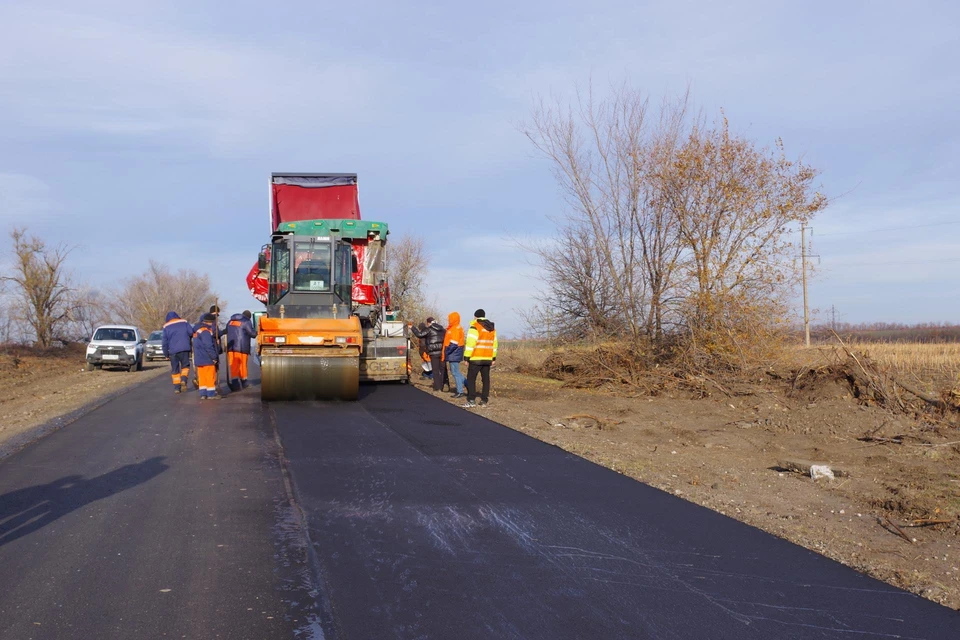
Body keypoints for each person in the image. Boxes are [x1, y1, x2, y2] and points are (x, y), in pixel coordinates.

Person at [462, 309, 497, 408]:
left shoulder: (475, 326)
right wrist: (493, 358)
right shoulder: (492, 328)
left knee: (471, 379)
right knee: (485, 380)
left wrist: (466, 358)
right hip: (487, 358)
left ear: (476, 316)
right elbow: (494, 344)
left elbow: (470, 344)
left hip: (476, 357)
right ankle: (484, 400)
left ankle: (471, 400)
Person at [161, 311, 193, 394]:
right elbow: (191, 332)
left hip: (173, 351)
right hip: (185, 348)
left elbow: (164, 342)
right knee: (185, 366)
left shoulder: (166, 326)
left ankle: (177, 388)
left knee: (175, 369)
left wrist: (166, 354)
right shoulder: (184, 322)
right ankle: (183, 379)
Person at [226, 310, 258, 391]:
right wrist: (257, 332)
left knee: (233, 365)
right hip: (242, 347)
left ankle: (235, 383)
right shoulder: (246, 321)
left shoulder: (230, 321)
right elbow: (252, 334)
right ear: (249, 317)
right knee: (242, 365)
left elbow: (226, 330)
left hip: (231, 348)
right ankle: (244, 382)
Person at [412, 317, 446, 392]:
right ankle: (443, 385)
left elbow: (419, 334)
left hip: (433, 352)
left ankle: (437, 387)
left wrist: (412, 327)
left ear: (428, 323)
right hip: (442, 352)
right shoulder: (443, 330)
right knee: (442, 370)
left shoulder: (429, 329)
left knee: (435, 370)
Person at [193, 314, 220, 400]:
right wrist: (214, 357)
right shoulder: (206, 332)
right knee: (210, 376)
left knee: (202, 377)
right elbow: (208, 346)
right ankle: (211, 394)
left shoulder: (197, 331)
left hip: (199, 358)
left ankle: (203, 394)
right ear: (210, 322)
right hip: (207, 358)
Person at [443, 312, 466, 398]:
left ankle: (460, 391)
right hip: (454, 353)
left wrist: (446, 353)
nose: (448, 320)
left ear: (454, 319)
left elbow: (453, 344)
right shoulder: (453, 328)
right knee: (456, 372)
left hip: (454, 353)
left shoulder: (455, 328)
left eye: (450, 318)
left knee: (455, 373)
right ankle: (468, 385)